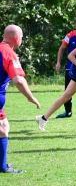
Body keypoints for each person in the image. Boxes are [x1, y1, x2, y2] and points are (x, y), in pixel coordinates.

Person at [0, 25, 41, 173]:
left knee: (3, 128)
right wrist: (31, 97)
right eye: (22, 38)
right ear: (17, 39)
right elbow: (18, 80)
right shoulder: (9, 54)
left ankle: (2, 166)